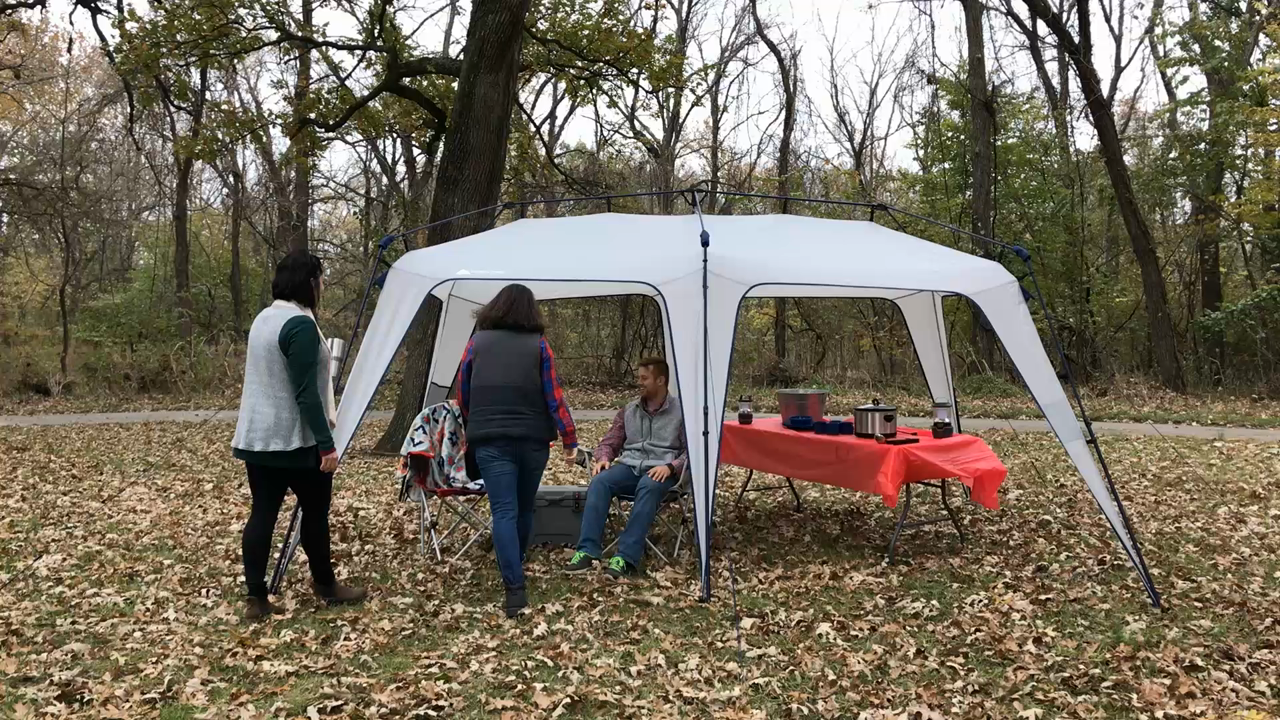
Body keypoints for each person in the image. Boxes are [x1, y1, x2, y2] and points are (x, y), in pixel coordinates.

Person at [231, 250, 366, 621]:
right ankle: (325, 583)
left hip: (258, 440)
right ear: (310, 283)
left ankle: (256, 597)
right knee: (315, 513)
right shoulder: (300, 326)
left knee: (262, 515)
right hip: (296, 442)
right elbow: (306, 393)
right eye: (321, 279)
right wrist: (326, 445)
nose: (323, 285)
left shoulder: (264, 319)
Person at [456, 283, 578, 617]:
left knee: (503, 512)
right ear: (529, 312)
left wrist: (473, 423)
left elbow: (463, 394)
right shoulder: (539, 346)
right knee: (524, 508)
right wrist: (570, 439)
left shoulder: (476, 344)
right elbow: (555, 397)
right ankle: (518, 558)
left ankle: (514, 587)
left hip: (491, 440)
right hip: (533, 441)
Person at [564, 357, 686, 580]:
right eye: (638, 377)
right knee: (600, 481)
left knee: (649, 485)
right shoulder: (629, 410)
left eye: (644, 378)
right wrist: (602, 457)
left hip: (663, 471)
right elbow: (610, 441)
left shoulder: (681, 412)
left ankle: (625, 558)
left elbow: (692, 453)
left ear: (660, 380)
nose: (638, 382)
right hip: (630, 466)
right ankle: (587, 551)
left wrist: (670, 466)